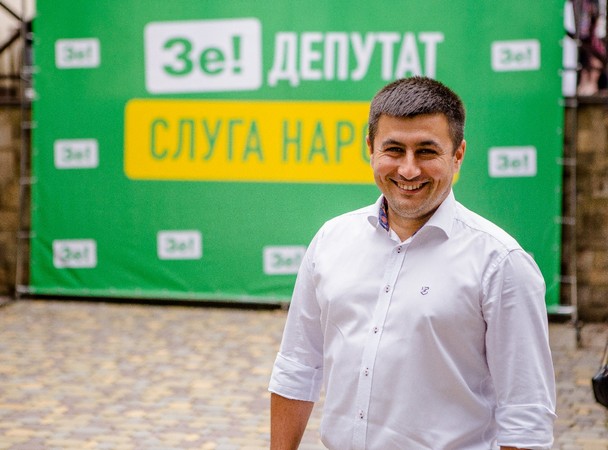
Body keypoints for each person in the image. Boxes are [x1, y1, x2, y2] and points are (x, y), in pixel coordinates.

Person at [268, 76, 556, 450]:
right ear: (370, 148)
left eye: (426, 152)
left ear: (458, 155)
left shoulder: (501, 263)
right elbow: (298, 366)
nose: (408, 170)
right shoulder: (331, 240)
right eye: (393, 150)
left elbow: (526, 416)